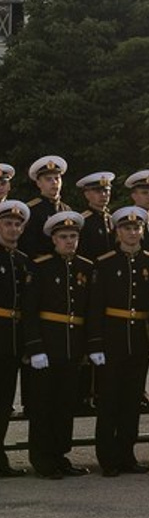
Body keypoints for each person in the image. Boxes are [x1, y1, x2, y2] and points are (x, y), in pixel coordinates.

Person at [87, 205, 149, 476]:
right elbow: (95, 306)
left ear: (142, 231)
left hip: (138, 341)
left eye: (136, 228)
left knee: (132, 403)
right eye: (126, 228)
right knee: (109, 402)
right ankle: (108, 459)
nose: (132, 232)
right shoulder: (105, 262)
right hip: (111, 339)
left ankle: (127, 455)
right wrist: (95, 343)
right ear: (117, 232)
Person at [21, 209, 92, 478]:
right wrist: (35, 347)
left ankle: (60, 455)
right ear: (54, 239)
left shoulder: (85, 268)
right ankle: (42, 459)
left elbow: (87, 311)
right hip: (47, 347)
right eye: (64, 237)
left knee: (65, 404)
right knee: (43, 405)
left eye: (73, 236)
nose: (70, 241)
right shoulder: (40, 267)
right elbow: (30, 311)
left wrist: (86, 347)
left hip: (72, 346)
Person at [0, 199, 30, 476]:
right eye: (7, 223)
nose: (12, 228)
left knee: (5, 400)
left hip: (14, 338)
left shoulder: (22, 261)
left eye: (17, 224)